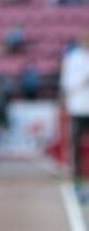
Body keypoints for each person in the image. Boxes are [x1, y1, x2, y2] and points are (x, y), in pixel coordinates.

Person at [60, 34, 89, 186]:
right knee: (76, 142)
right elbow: (68, 83)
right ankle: (77, 172)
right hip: (78, 107)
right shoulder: (73, 59)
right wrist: (84, 77)